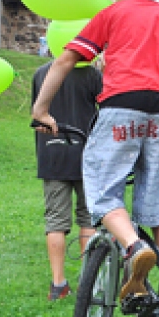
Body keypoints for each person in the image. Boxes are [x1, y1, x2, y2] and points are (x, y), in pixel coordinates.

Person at [32, 0, 159, 302]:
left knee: (101, 187)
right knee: (156, 198)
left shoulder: (113, 15)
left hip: (124, 101)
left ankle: (133, 246)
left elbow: (65, 60)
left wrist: (41, 109)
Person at [31, 59, 102, 300]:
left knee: (55, 221)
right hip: (85, 151)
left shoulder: (40, 73)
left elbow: (36, 116)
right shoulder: (91, 75)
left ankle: (58, 284)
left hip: (51, 153)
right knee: (88, 219)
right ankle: (87, 282)